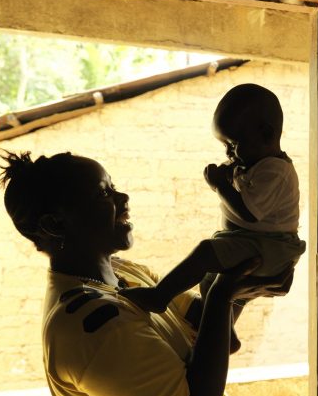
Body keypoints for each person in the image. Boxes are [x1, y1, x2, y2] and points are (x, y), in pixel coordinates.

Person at [0, 150, 292, 396]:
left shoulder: (124, 273)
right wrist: (222, 295)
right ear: (55, 224)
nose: (123, 198)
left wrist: (242, 282)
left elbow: (213, 333)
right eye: (103, 194)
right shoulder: (90, 323)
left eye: (114, 187)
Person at [120, 83, 306, 353]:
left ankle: (160, 296)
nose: (229, 153)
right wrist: (229, 177)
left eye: (234, 144)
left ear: (266, 134)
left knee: (207, 251)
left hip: (271, 247)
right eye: (225, 146)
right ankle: (225, 334)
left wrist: (221, 186)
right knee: (211, 280)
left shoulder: (275, 171)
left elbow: (249, 213)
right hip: (255, 243)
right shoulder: (254, 164)